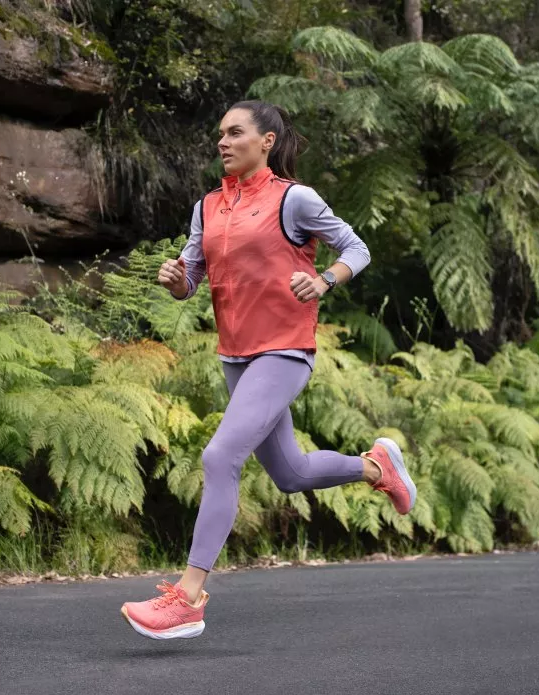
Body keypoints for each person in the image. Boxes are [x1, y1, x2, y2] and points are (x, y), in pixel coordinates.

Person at [119, 100, 416, 640]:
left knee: (219, 455)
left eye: (235, 133)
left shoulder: (293, 199)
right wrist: (175, 279)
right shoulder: (206, 206)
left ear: (267, 142)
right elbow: (190, 274)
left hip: (284, 349)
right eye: (220, 134)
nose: (223, 143)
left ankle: (186, 598)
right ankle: (377, 468)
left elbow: (357, 247)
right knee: (291, 474)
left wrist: (325, 280)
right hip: (236, 354)